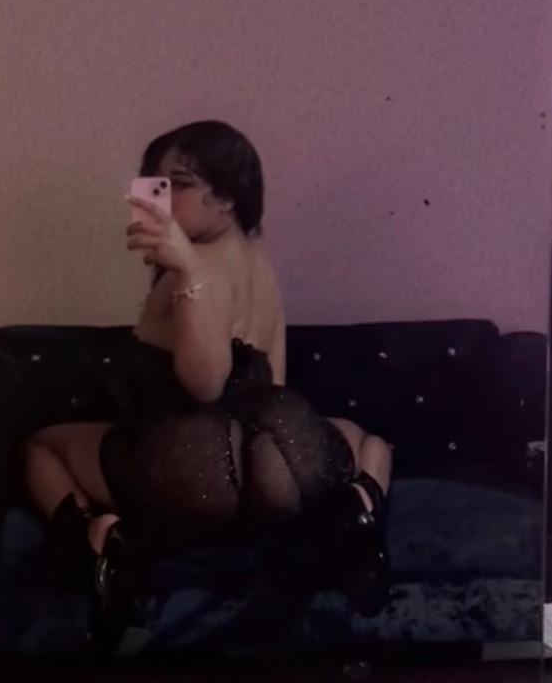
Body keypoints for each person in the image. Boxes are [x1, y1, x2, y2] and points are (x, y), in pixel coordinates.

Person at [21, 120, 393, 627]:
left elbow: (204, 385)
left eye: (179, 183)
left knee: (40, 447)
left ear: (227, 198)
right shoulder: (258, 261)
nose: (163, 198)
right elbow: (273, 382)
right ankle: (359, 506)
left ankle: (98, 536)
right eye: (156, 183)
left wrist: (189, 272)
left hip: (195, 469)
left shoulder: (193, 270)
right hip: (276, 468)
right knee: (368, 440)